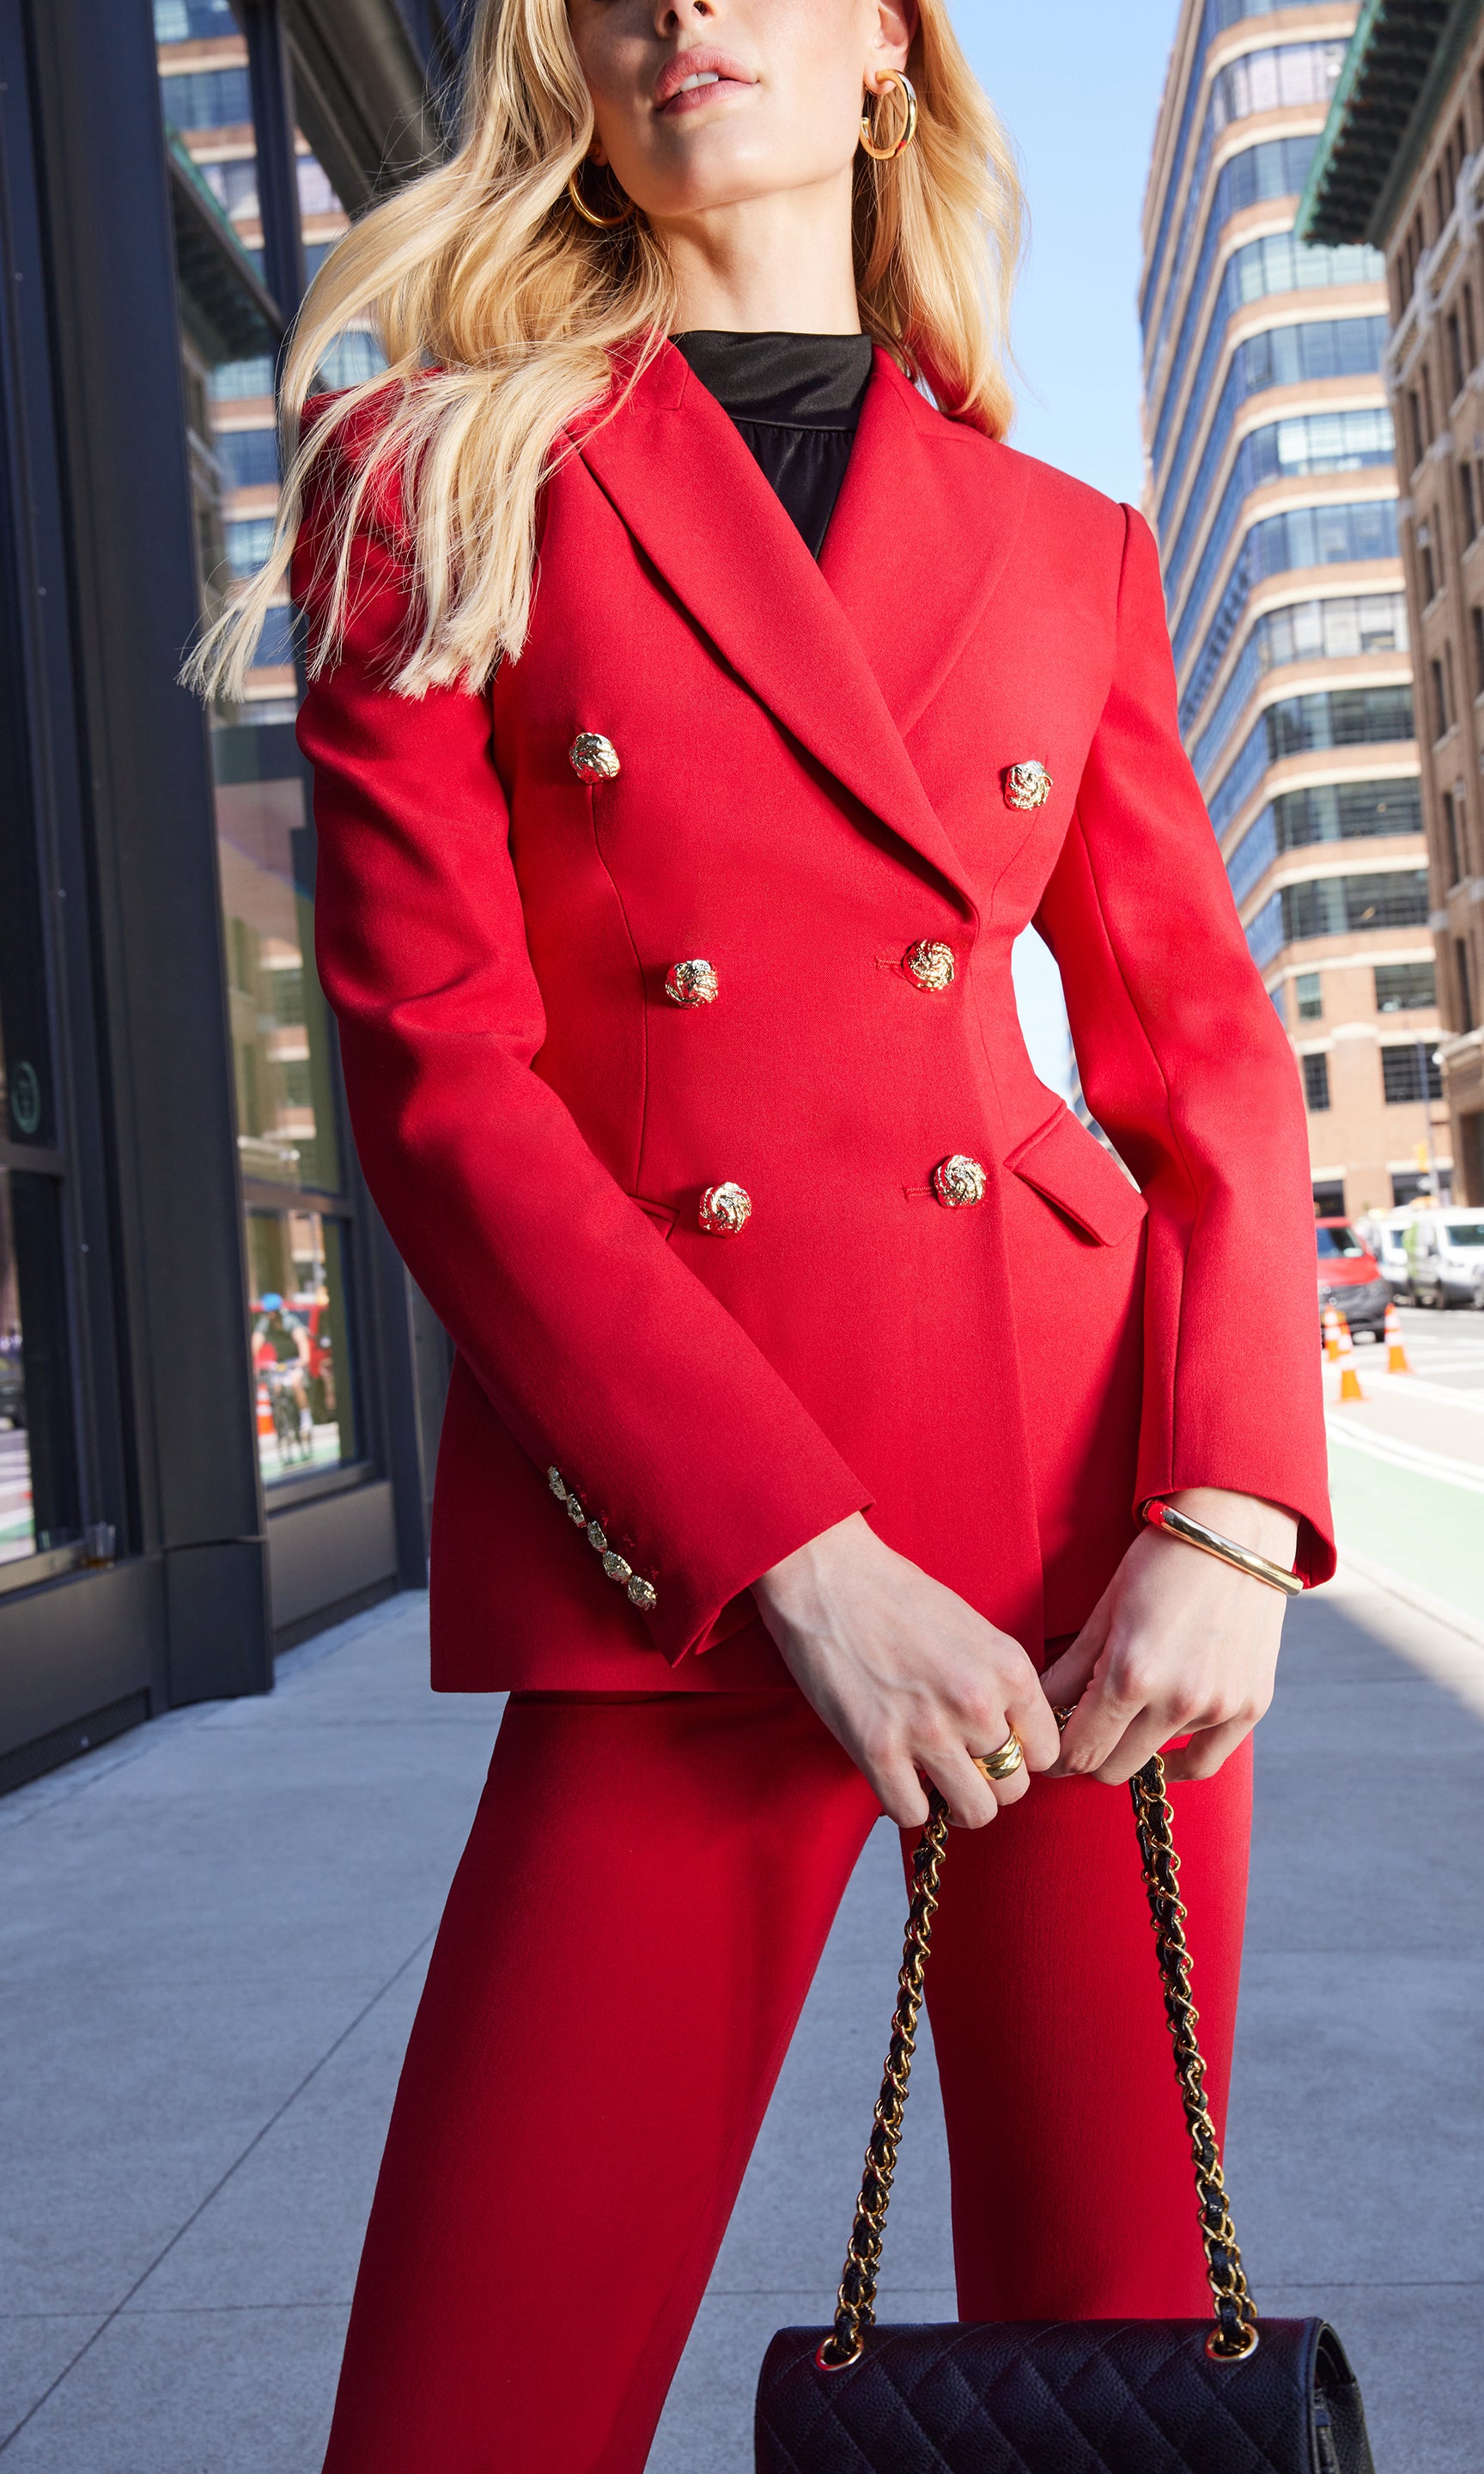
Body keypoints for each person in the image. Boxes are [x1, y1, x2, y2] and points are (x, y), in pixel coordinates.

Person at [190, 0, 1333, 2462]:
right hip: (683, 1540)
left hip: (1081, 1537)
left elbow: (1200, 1055)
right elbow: (436, 1080)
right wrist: (788, 1551)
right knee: (471, 2408)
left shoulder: (1074, 546)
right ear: (569, 70)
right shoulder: (430, 476)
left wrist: (1233, 1507)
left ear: (889, 57)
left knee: (1100, 2378)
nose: (681, 6)